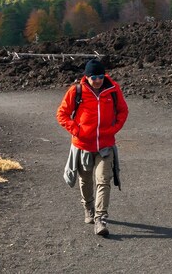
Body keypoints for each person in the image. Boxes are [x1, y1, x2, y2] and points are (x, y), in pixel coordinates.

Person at [56, 59, 128, 236]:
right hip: (83, 145)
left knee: (103, 180)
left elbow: (123, 111)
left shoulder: (113, 90)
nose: (97, 80)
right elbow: (62, 114)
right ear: (86, 77)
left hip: (105, 145)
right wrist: (77, 130)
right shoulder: (76, 91)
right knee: (85, 179)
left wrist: (113, 129)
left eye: (100, 76)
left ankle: (100, 219)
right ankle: (88, 206)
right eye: (93, 77)